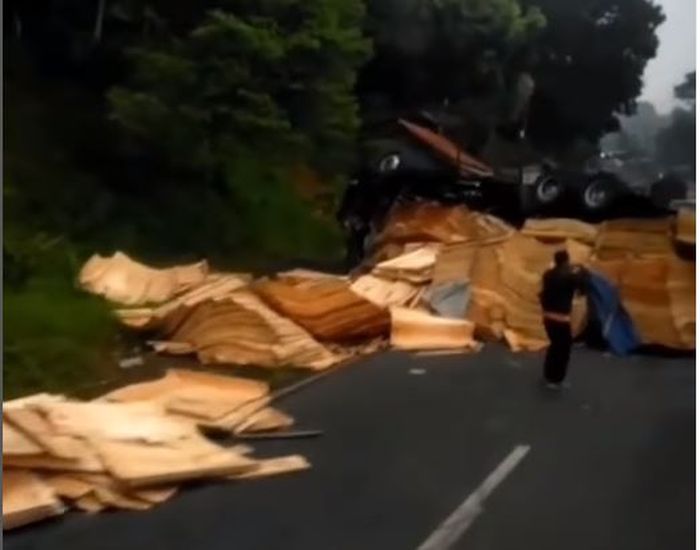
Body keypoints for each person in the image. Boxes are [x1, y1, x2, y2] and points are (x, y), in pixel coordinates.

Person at [539, 250, 587, 389]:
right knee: (563, 350)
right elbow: (582, 288)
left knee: (554, 346)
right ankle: (557, 379)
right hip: (561, 318)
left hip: (548, 316)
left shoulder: (548, 275)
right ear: (566, 261)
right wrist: (580, 271)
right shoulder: (569, 276)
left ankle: (548, 376)